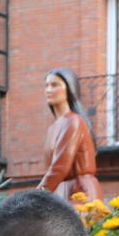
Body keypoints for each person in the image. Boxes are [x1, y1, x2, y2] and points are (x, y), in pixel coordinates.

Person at [36, 68, 100, 201]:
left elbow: (60, 167)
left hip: (80, 191)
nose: (48, 90)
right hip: (59, 191)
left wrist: (36, 196)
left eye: (54, 85)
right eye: (46, 85)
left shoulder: (73, 121)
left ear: (69, 89)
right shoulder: (52, 128)